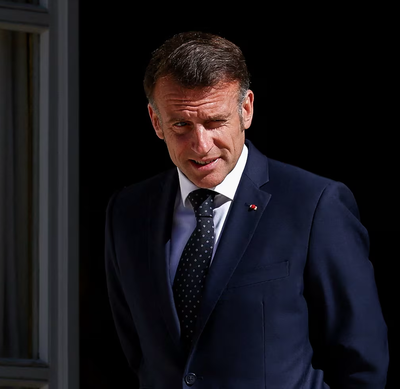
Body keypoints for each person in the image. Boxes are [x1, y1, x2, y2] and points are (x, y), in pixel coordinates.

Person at [104, 31, 389, 388]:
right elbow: (134, 355)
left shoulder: (314, 205)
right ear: (156, 121)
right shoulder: (128, 212)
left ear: (246, 109)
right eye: (181, 124)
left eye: (215, 122)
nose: (201, 144)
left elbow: (361, 363)